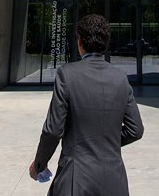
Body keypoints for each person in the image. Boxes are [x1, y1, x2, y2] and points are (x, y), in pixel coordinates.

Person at [29, 13, 144, 195]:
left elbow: (53, 130)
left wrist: (39, 165)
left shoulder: (66, 74)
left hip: (76, 178)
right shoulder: (121, 78)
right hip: (114, 180)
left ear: (80, 41)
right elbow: (135, 130)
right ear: (105, 43)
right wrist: (105, 141)